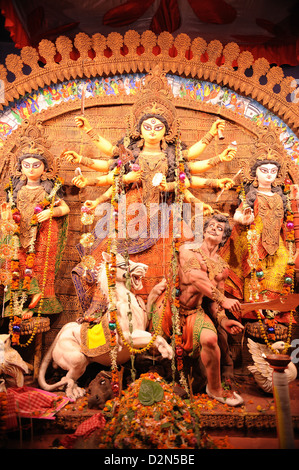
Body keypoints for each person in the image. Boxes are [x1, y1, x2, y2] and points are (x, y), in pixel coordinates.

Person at [61, 68, 237, 314]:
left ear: (167, 131)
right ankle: (114, 308)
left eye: (158, 127)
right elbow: (106, 163)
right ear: (139, 129)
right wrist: (87, 135)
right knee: (114, 254)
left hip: (164, 213)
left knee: (177, 255)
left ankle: (164, 311)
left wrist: (216, 152)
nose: (153, 130)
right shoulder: (129, 153)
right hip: (130, 212)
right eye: (148, 126)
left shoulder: (173, 155)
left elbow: (194, 162)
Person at [153, 214, 244, 406]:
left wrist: (224, 321)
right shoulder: (188, 250)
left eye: (219, 229)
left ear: (224, 238)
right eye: (211, 226)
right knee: (154, 349)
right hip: (170, 309)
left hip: (194, 312)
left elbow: (213, 303)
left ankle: (215, 388)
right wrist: (223, 299)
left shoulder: (222, 267)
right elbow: (194, 277)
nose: (214, 229)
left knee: (211, 340)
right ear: (203, 231)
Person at [3, 141, 70, 321]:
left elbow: (65, 209)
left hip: (44, 232)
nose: (31, 170)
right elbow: (7, 208)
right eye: (26, 166)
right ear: (21, 168)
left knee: (41, 267)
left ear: (45, 169)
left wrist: (51, 212)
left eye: (36, 165)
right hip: (19, 232)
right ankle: (18, 303)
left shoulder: (51, 190)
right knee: (17, 265)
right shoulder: (15, 189)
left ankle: (38, 300)